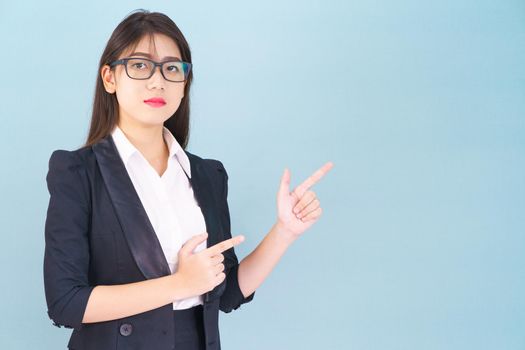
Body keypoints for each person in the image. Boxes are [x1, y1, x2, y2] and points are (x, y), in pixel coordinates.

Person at [43, 9, 333, 350]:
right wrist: (178, 284)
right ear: (109, 78)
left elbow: (225, 294)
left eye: (171, 68)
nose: (157, 81)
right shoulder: (77, 172)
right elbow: (66, 303)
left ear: (184, 83)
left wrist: (285, 231)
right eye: (139, 65)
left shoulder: (208, 175)